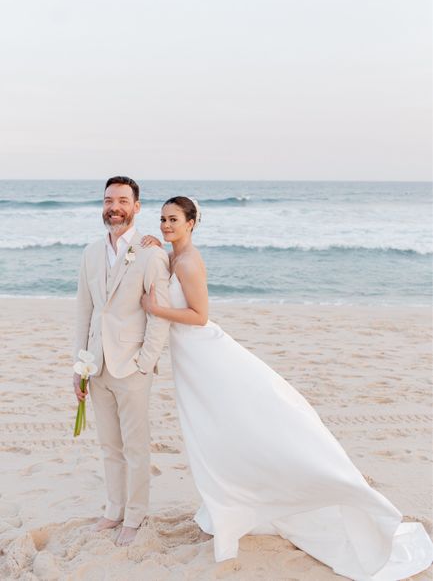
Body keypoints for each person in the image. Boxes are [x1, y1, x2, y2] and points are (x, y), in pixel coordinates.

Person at [140, 196, 433, 580]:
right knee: (215, 436)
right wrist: (151, 245)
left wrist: (155, 308)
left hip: (207, 356)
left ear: (192, 222)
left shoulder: (191, 261)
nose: (166, 225)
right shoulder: (174, 256)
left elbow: (199, 316)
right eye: (162, 219)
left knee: (242, 425)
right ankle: (234, 502)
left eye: (173, 219)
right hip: (191, 363)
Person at [74, 176, 170, 546]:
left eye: (122, 200)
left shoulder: (151, 253)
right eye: (108, 199)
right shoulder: (89, 253)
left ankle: (135, 514)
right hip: (96, 365)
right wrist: (79, 366)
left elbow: (157, 315)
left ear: (136, 207)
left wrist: (145, 362)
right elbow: (84, 312)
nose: (114, 206)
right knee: (109, 445)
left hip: (132, 366)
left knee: (135, 446)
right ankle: (114, 510)